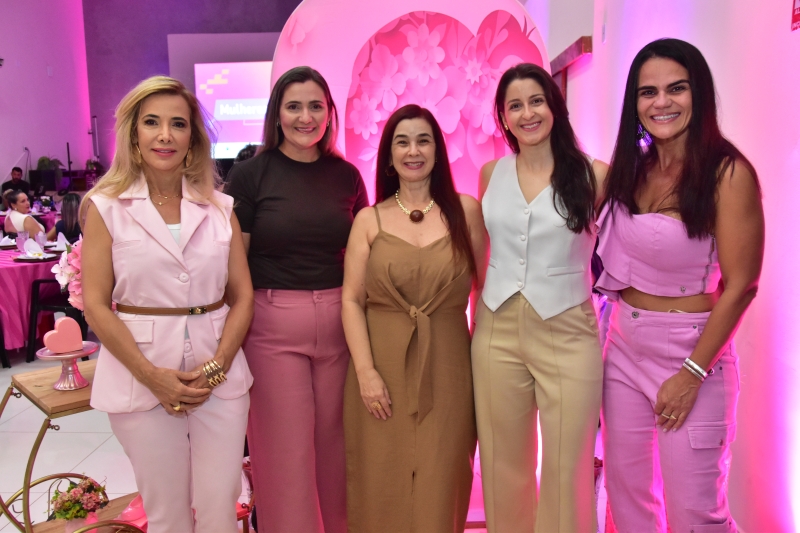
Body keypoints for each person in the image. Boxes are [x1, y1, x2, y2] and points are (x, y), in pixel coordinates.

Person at [597, 39, 763, 532]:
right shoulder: (634, 168)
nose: (661, 102)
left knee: (695, 515)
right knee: (628, 504)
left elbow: (742, 285)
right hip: (622, 346)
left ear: (699, 94)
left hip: (693, 353)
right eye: (648, 92)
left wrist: (692, 373)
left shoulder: (727, 174)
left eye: (677, 88)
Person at [80, 76, 254, 533]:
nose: (165, 135)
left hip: (219, 381)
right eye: (152, 122)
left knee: (220, 508)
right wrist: (150, 375)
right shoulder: (105, 208)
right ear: (133, 134)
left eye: (178, 124)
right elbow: (96, 305)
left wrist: (217, 366)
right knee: (167, 516)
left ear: (192, 139)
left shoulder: (220, 208)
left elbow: (243, 297)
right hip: (141, 380)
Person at [225, 66, 368, 533]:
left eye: (315, 106)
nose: (306, 117)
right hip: (272, 328)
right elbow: (235, 265)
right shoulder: (250, 175)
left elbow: (363, 254)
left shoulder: (347, 175)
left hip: (341, 326)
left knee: (336, 448)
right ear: (276, 114)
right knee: (284, 453)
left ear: (329, 113)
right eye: (294, 107)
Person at [472, 63, 607, 533]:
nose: (527, 113)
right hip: (496, 329)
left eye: (536, 101)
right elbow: (480, 253)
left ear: (554, 106)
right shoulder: (491, 173)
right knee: (502, 464)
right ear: (503, 118)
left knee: (567, 469)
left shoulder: (594, 174)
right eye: (515, 105)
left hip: (568, 329)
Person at [342, 104, 487, 532]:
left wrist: (481, 360)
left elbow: (485, 291)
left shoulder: (467, 212)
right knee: (380, 479)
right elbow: (351, 300)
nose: (413, 151)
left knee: (444, 477)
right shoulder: (368, 220)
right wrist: (366, 372)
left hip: (449, 366)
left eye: (423, 141)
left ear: (438, 151)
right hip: (381, 368)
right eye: (402, 142)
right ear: (389, 156)